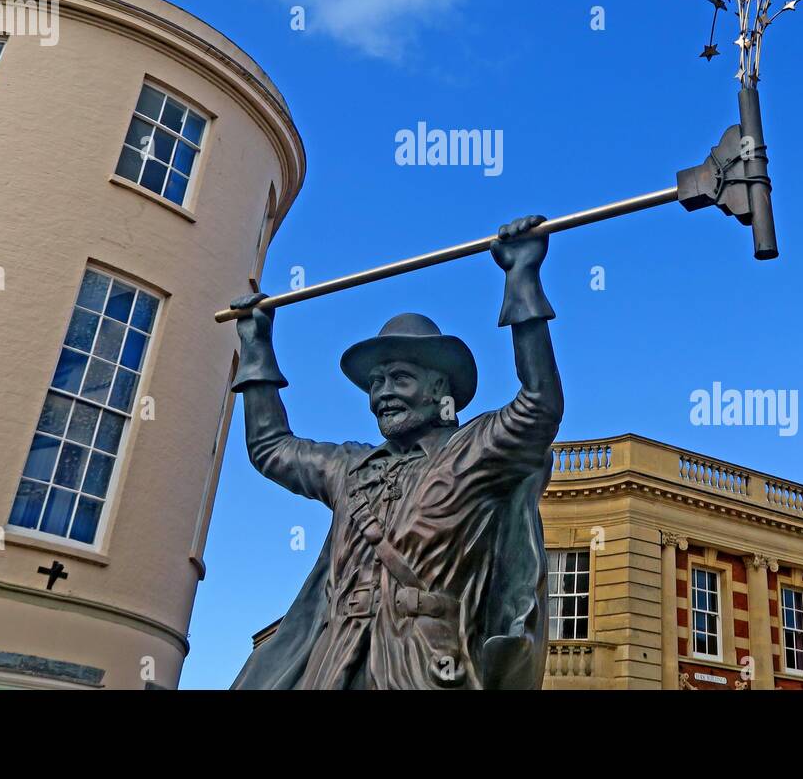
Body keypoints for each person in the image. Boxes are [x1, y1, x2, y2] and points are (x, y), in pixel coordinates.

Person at [230, 214, 564, 689]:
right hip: (332, 668)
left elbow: (538, 406)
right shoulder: (349, 466)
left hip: (425, 669)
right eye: (376, 382)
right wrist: (256, 345)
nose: (383, 392)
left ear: (438, 389)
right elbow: (271, 447)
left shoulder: (474, 452)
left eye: (400, 379)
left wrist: (521, 280)